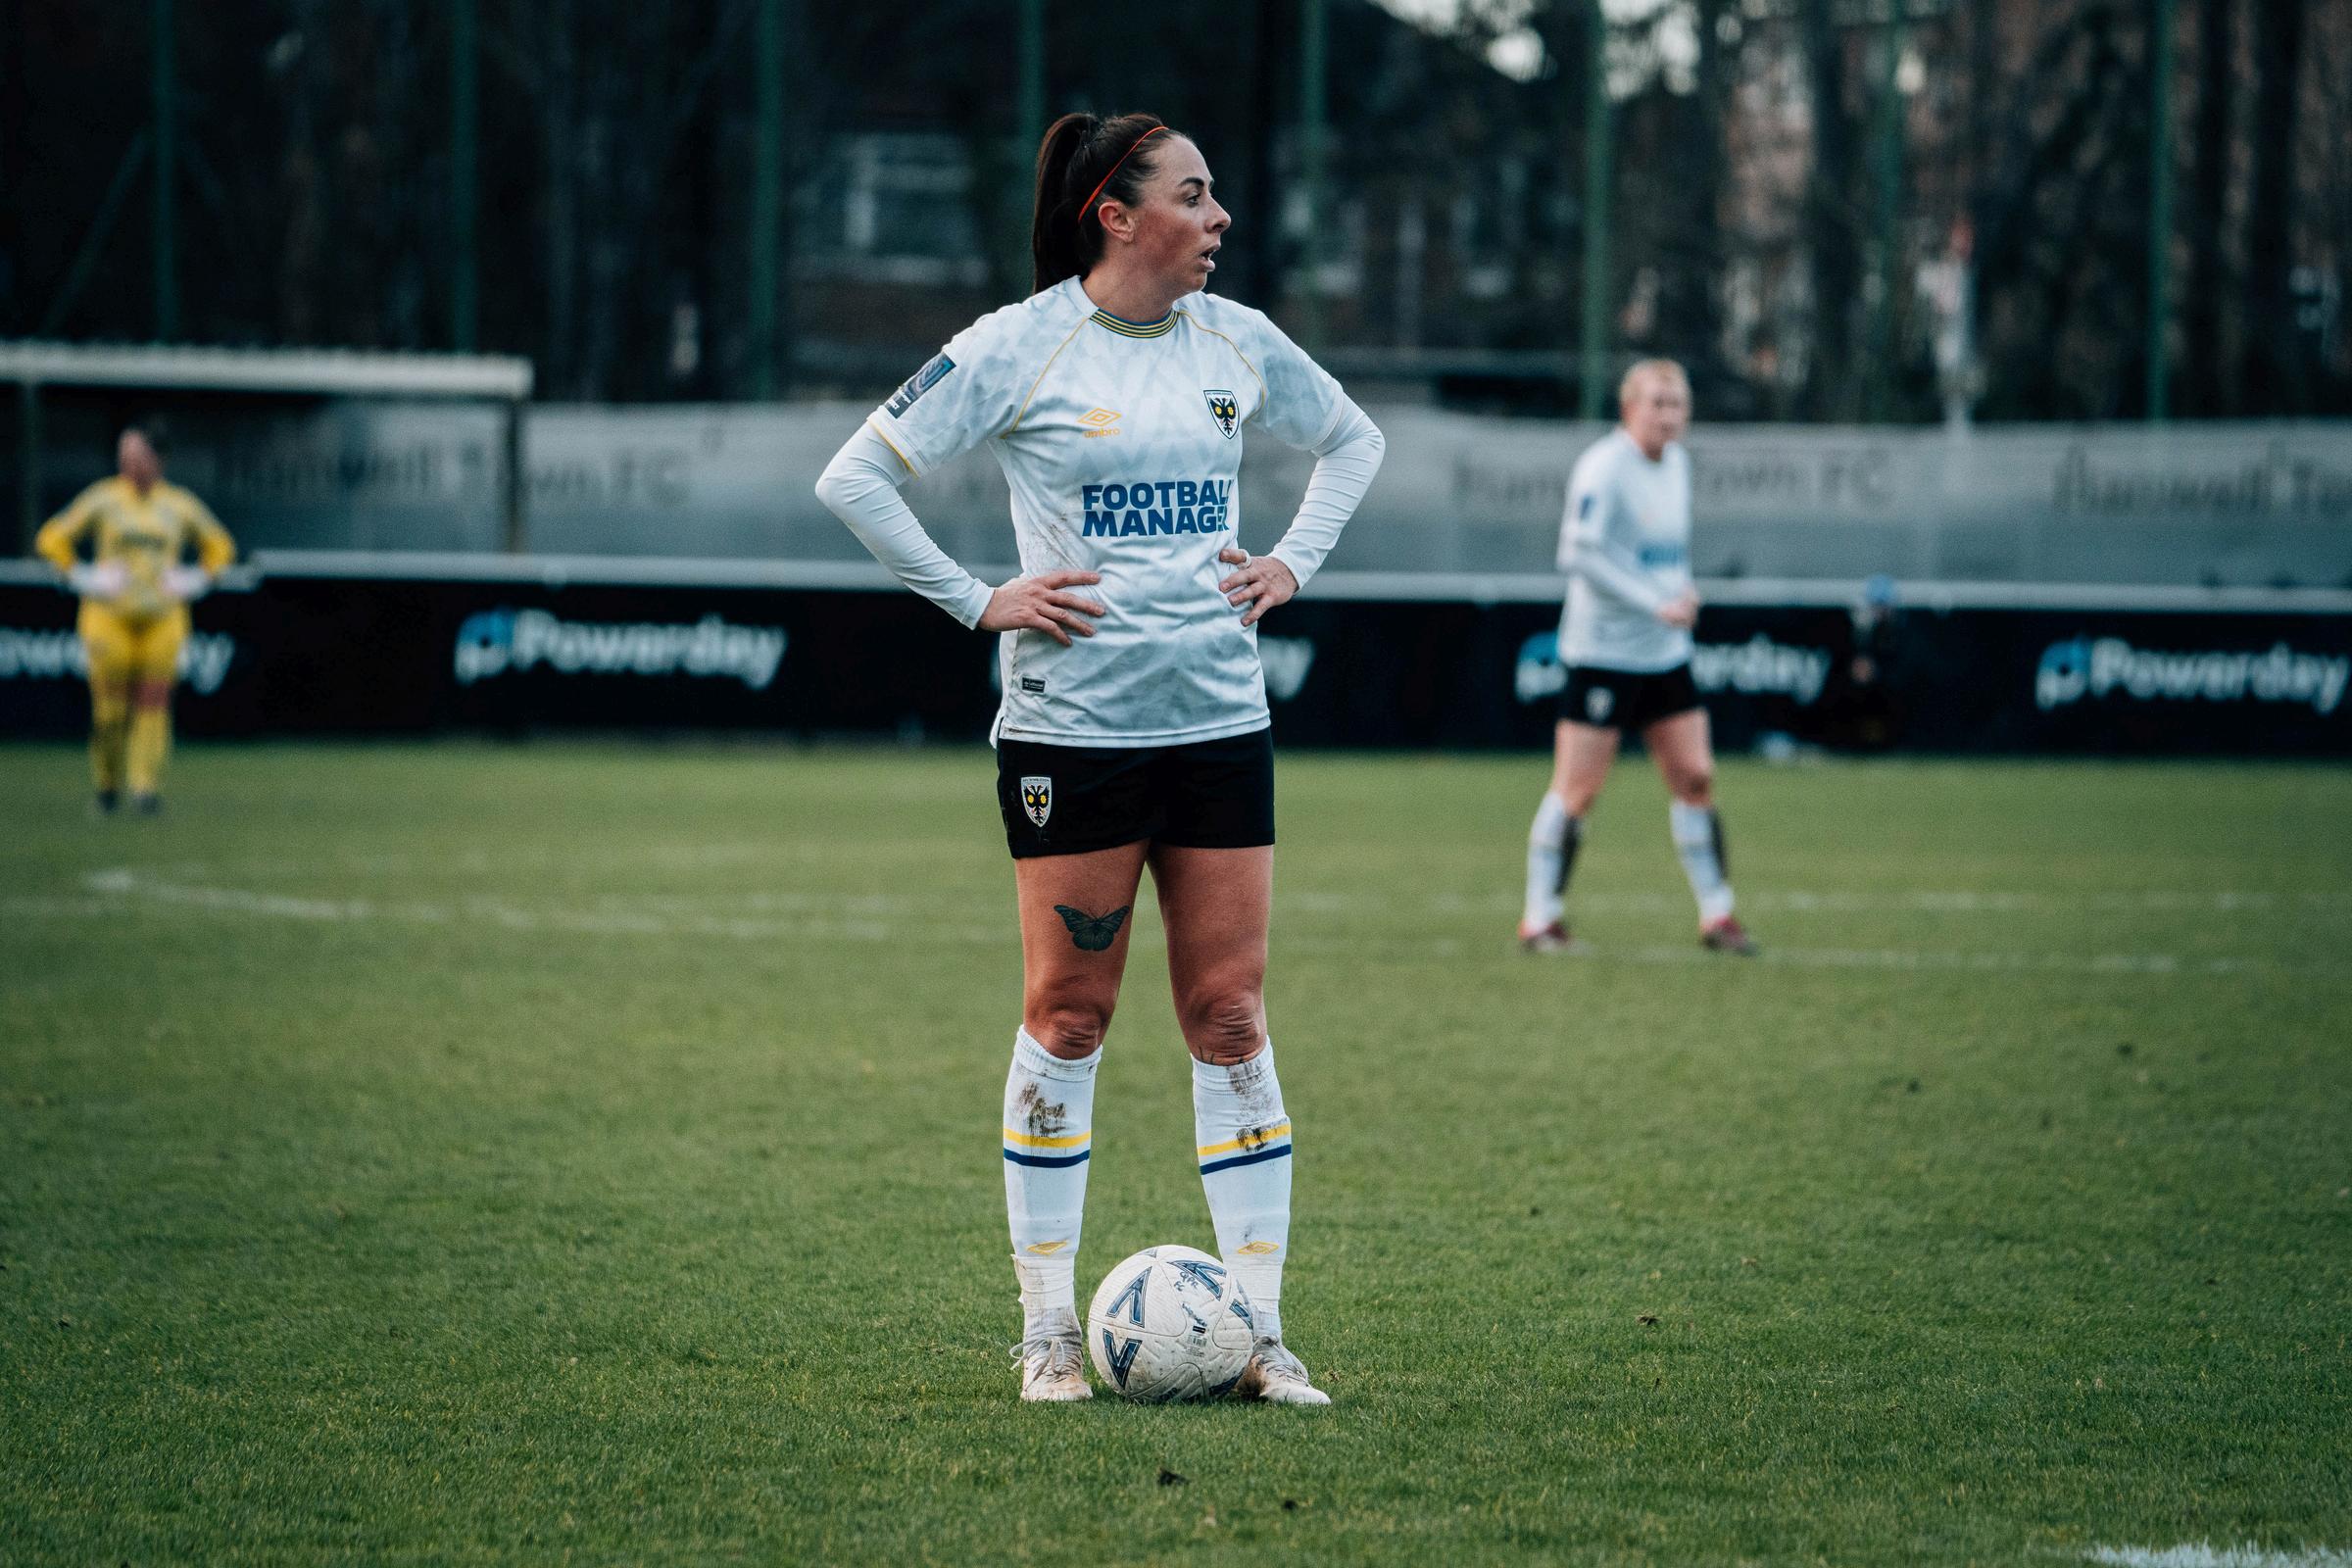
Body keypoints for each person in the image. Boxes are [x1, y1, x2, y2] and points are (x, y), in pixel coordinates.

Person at [814, 112, 1384, 1403]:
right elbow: (855, 478)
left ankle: (1261, 1337)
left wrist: (1293, 562)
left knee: (1230, 1017)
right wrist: (980, 600)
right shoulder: (1018, 346)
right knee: (1069, 1017)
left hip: (1221, 723)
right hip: (1073, 737)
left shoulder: (1236, 340)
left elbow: (1354, 439)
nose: (1219, 217)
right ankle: (1048, 1332)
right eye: (1194, 193)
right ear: (1115, 216)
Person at [1518, 360, 1756, 956]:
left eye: (1678, 405)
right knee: (1578, 791)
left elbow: (1665, 555)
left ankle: (1717, 915)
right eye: (1658, 403)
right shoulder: (1603, 467)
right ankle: (1540, 919)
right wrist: (1655, 602)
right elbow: (1577, 553)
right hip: (1602, 654)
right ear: (1629, 408)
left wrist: (1684, 591)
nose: (1669, 416)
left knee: (1696, 777)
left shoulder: (1677, 465)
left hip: (1664, 654)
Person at [34, 426, 236, 815]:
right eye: (124, 455)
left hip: (163, 617)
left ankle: (145, 789)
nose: (129, 463)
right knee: (109, 710)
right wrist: (80, 575)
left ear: (158, 460)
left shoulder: (178, 505)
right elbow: (51, 538)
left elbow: (220, 545)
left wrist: (198, 578)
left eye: (138, 455)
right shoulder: (103, 498)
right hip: (109, 616)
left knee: (153, 702)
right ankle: (107, 785)